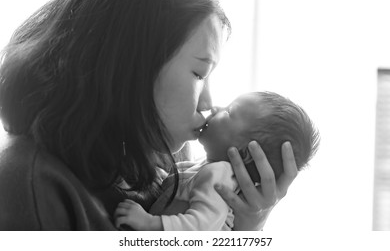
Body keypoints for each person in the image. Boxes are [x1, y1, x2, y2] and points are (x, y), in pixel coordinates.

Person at [0, 0, 299, 231]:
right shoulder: (30, 185)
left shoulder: (174, 155)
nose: (208, 101)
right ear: (131, 65)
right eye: (199, 74)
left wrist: (247, 228)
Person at [114, 91, 320, 230]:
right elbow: (177, 184)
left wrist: (150, 224)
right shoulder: (206, 166)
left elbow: (201, 226)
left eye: (229, 112)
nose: (214, 107)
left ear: (245, 152)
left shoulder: (219, 177)